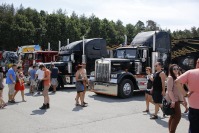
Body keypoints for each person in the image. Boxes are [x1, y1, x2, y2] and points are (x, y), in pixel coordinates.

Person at [175, 58, 199, 133]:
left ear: (197, 63)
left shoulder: (190, 72)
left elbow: (177, 82)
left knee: (193, 128)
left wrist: (185, 94)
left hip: (194, 107)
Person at [166, 64, 184, 133]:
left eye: (177, 68)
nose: (176, 70)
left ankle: (170, 131)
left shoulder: (177, 77)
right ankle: (172, 131)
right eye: (174, 69)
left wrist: (182, 100)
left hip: (177, 99)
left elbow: (180, 89)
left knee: (173, 116)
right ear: (171, 70)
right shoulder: (170, 77)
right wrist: (173, 100)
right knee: (178, 116)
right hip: (174, 100)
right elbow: (169, 90)